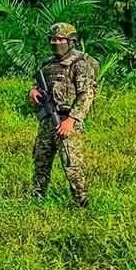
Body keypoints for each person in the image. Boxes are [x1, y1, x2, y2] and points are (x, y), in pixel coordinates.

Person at [28, 22, 97, 207]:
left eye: (60, 39)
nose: (56, 43)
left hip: (67, 120)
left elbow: (87, 94)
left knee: (72, 164)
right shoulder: (47, 65)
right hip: (47, 120)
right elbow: (39, 87)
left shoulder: (79, 63)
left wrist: (71, 120)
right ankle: (36, 199)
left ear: (70, 41)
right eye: (53, 39)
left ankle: (81, 202)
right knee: (41, 161)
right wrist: (33, 92)